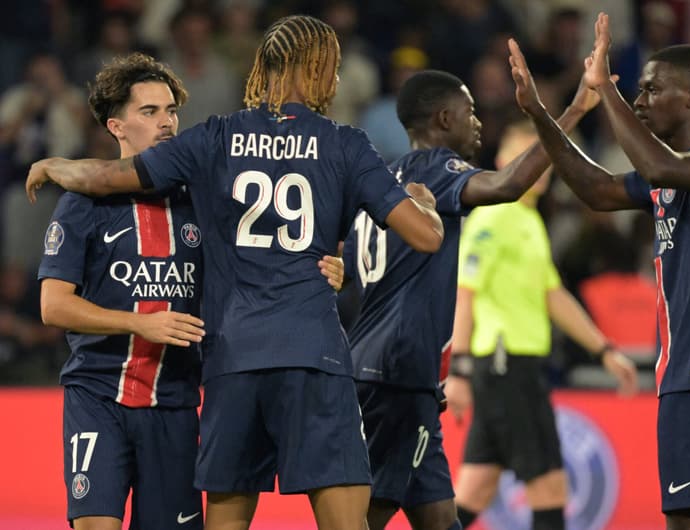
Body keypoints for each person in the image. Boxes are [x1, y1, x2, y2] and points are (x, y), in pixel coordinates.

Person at [27, 15, 443, 530]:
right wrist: (421, 205)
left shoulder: (215, 140)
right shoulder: (343, 143)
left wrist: (54, 166)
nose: (166, 121)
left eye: (169, 111)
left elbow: (111, 176)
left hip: (230, 360)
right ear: (317, 68)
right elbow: (425, 238)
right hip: (310, 353)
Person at [36, 51, 346, 530]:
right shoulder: (83, 206)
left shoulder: (202, 199)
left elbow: (264, 247)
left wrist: (324, 266)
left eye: (171, 111)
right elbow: (53, 306)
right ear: (117, 126)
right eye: (149, 112)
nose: (166, 122)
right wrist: (140, 323)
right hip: (99, 395)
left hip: (176, 402)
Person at [508, 13, 690, 530]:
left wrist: (603, 86)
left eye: (653, 90)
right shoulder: (676, 169)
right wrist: (541, 115)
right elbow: (598, 188)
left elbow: (656, 167)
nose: (641, 100)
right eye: (638, 90)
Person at [341, 66, 634, 530]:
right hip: (402, 372)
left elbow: (352, 272)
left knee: (440, 514)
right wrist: (574, 109)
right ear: (442, 119)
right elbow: (506, 186)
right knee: (369, 515)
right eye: (469, 112)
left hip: (392, 369)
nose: (478, 122)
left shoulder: (382, 180)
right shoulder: (436, 171)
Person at [446, 120, 638, 530]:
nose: (539, 168)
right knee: (550, 488)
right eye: (525, 158)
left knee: (475, 490)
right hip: (505, 363)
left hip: (512, 366)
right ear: (503, 163)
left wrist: (604, 350)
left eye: (543, 159)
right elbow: (467, 292)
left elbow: (553, 296)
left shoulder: (529, 222)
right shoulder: (493, 217)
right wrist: (458, 370)